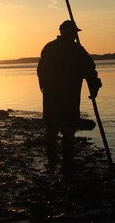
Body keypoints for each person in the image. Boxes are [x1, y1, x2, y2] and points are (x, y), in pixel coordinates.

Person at [37, 20, 102, 171]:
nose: (74, 35)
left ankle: (52, 160)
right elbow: (90, 70)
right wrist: (94, 87)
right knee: (68, 126)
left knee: (52, 127)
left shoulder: (49, 47)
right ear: (65, 32)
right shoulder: (76, 49)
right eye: (73, 32)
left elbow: (40, 72)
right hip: (68, 96)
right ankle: (65, 161)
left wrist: (44, 89)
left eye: (75, 33)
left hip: (51, 96)